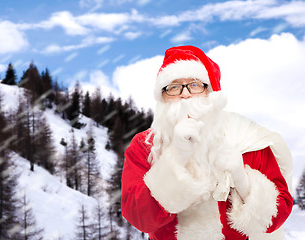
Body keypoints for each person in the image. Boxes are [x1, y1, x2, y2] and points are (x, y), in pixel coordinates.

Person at [121, 45, 293, 240]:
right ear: (162, 97)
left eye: (194, 84)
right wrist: (175, 159)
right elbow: (139, 218)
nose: (185, 94)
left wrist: (242, 179)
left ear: (210, 92)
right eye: (174, 87)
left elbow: (277, 216)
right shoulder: (145, 145)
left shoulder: (245, 138)